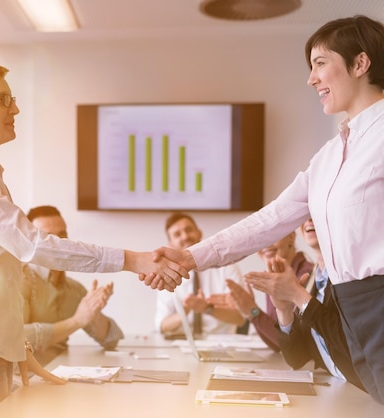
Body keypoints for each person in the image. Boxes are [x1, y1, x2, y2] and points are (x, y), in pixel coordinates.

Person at [144, 15, 384, 403]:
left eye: (320, 63)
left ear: (360, 63)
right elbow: (269, 220)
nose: (311, 79)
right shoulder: (329, 156)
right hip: (348, 310)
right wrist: (189, 258)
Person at [0, 58, 185, 413]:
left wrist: (18, 348)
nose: (15, 108)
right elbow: (33, 245)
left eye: (12, 98)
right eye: (2, 100)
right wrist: (133, 260)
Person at [245, 219, 365, 391]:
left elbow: (355, 348)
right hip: (338, 388)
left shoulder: (354, 275)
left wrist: (297, 295)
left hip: (365, 393)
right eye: (306, 214)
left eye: (315, 212)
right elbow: (297, 358)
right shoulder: (313, 281)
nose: (309, 219)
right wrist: (284, 310)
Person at [22, 205, 124, 365]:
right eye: (48, 238)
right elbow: (16, 338)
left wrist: (93, 312)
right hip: (25, 381)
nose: (58, 244)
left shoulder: (74, 289)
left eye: (62, 236)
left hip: (61, 377)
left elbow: (111, 340)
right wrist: (77, 321)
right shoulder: (19, 279)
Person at [215, 230, 313, 351]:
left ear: (291, 236)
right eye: (260, 239)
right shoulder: (275, 277)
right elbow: (277, 345)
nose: (266, 245)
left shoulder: (307, 275)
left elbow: (292, 345)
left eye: (272, 235)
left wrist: (253, 311)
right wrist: (251, 313)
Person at [154, 212, 245, 338]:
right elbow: (162, 326)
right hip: (182, 346)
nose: (185, 236)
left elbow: (241, 318)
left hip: (221, 346)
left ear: (199, 233)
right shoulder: (168, 275)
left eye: (188, 230)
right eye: (177, 234)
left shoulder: (227, 267)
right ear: (170, 244)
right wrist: (184, 311)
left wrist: (208, 308)